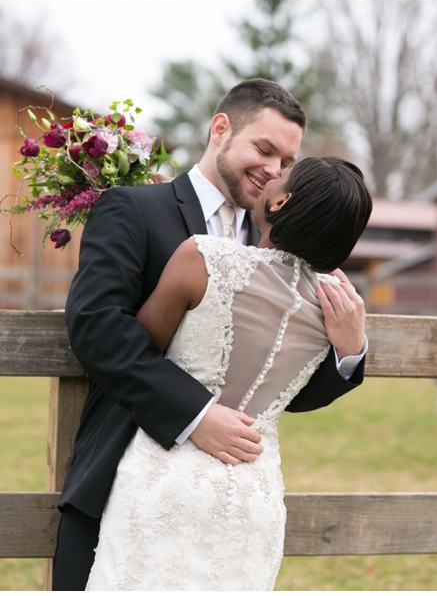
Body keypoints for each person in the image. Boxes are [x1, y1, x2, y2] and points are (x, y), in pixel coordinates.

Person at [54, 79, 368, 589]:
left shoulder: (285, 245)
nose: (273, 171)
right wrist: (195, 414)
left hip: (236, 498)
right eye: (264, 150)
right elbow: (97, 329)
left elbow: (286, 388)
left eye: (286, 163)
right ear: (220, 129)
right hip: (122, 475)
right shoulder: (132, 209)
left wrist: (349, 353)